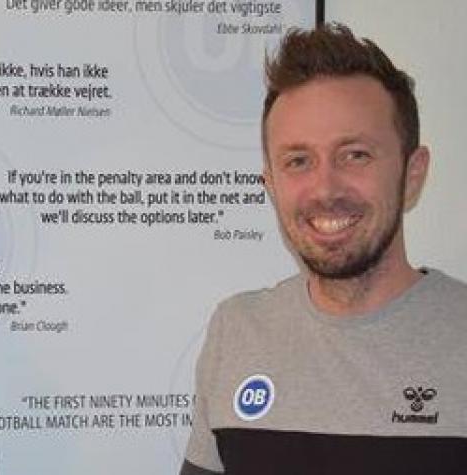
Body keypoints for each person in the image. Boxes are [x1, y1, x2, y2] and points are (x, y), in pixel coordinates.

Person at [181, 23, 467, 475]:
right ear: (271, 184)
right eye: (298, 161)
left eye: (355, 155)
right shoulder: (236, 332)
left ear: (412, 174)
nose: (325, 189)